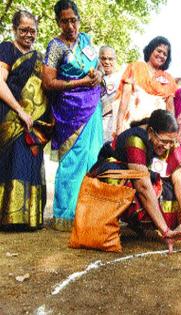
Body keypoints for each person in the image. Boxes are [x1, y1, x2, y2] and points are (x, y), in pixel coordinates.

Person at [91, 110, 181, 252]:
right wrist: (165, 231)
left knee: (169, 192)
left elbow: (178, 177)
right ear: (151, 132)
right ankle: (111, 225)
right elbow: (142, 187)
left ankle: (143, 224)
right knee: (143, 188)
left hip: (143, 176)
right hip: (114, 175)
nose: (167, 146)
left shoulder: (169, 139)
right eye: (164, 141)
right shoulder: (135, 139)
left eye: (170, 142)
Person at [42, 0, 104, 231]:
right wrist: (80, 82)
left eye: (73, 20)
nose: (70, 26)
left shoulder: (86, 40)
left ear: (79, 19)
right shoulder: (56, 46)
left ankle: (87, 213)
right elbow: (48, 82)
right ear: (58, 22)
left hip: (92, 107)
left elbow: (97, 67)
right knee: (72, 160)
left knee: (92, 157)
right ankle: (64, 215)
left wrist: (97, 75)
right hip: (69, 112)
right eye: (64, 21)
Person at [0, 10, 53, 230]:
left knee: (29, 163)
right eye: (24, 30)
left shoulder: (40, 58)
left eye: (33, 30)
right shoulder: (7, 49)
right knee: (11, 163)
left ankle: (28, 218)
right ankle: (9, 218)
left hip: (34, 124)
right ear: (14, 29)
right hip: (11, 118)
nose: (29, 34)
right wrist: (19, 110)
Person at [115, 36, 177, 135]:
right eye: (159, 51)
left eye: (165, 54)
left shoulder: (169, 79)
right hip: (132, 124)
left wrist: (171, 134)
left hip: (157, 131)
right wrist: (118, 127)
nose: (161, 55)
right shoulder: (135, 67)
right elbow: (125, 99)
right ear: (151, 50)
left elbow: (170, 109)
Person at [99, 45, 124, 142]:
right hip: (96, 127)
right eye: (103, 58)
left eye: (110, 59)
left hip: (115, 128)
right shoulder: (92, 79)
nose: (107, 62)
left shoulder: (121, 78)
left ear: (115, 60)